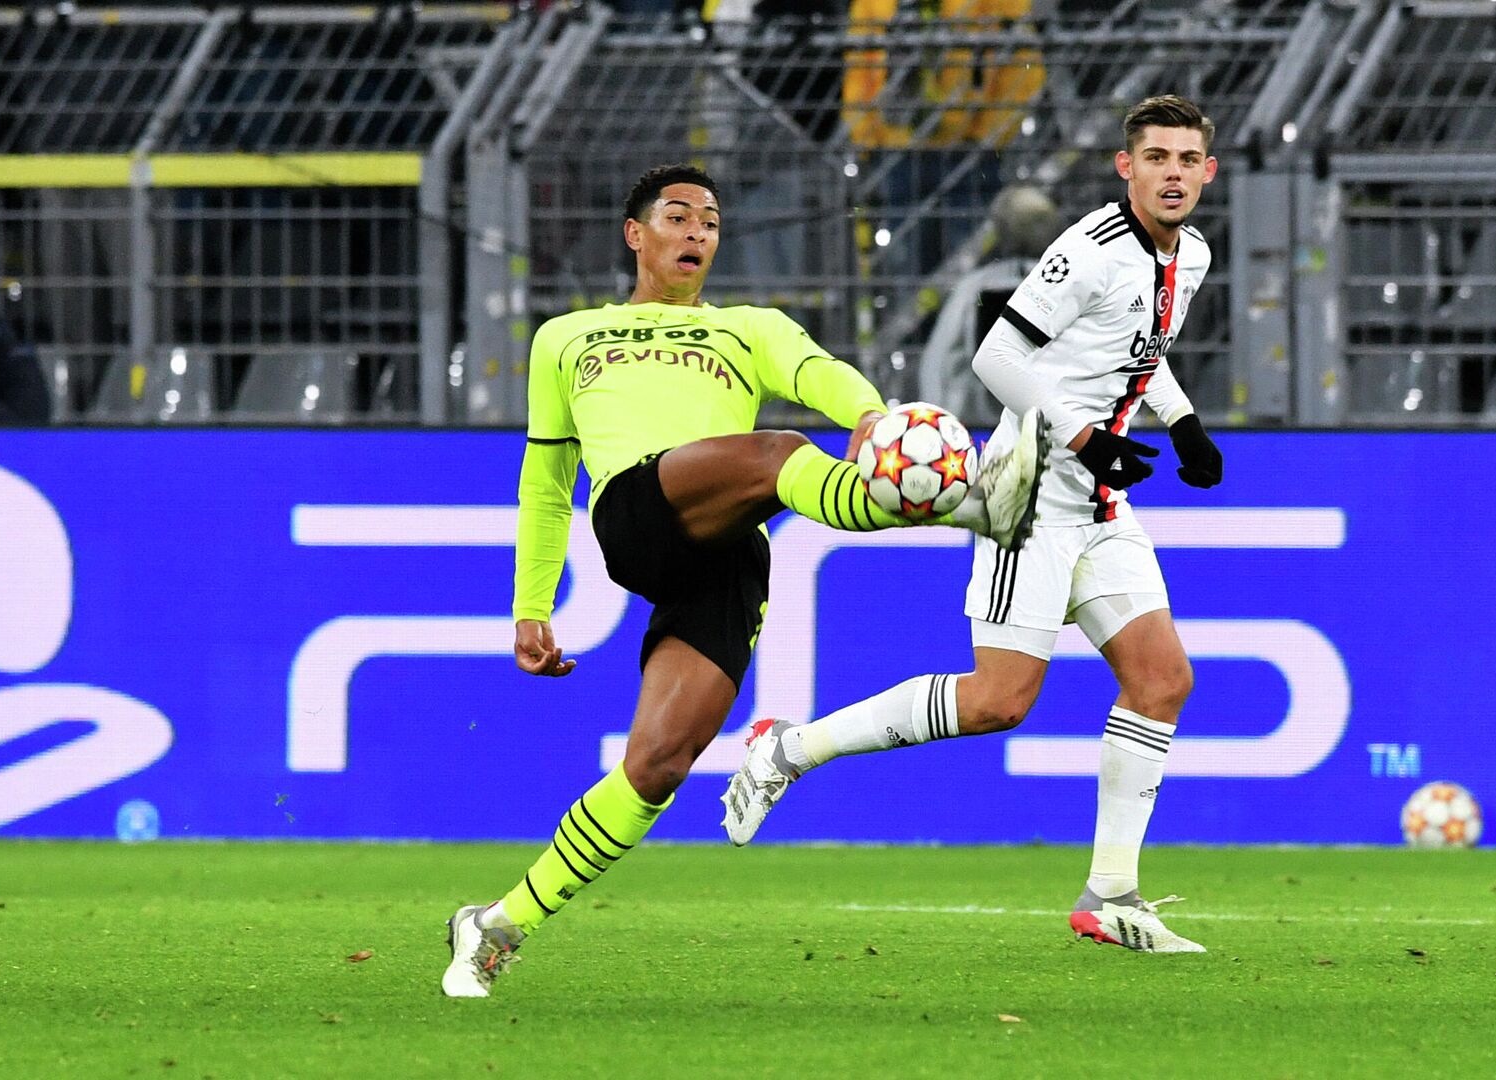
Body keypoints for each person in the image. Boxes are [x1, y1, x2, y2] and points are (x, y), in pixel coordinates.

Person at [440, 162, 1050, 998]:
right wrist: (530, 607)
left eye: (711, 222)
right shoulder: (566, 337)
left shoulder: (748, 328)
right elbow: (546, 484)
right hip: (638, 512)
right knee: (776, 454)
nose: (697, 233)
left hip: (726, 551)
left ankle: (496, 924)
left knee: (657, 764)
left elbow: (816, 372)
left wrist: (869, 417)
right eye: (679, 217)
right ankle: (966, 508)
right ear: (636, 234)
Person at [721, 96, 1227, 954]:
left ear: (1208, 172)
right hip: (1028, 499)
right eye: (1157, 158)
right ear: (1125, 166)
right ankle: (787, 750)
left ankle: (1111, 895)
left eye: (1188, 159)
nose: (1173, 173)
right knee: (998, 703)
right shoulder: (1089, 250)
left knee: (1162, 679)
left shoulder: (1193, 255)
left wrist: (1181, 422)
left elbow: (1139, 351)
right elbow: (999, 355)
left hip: (1102, 505)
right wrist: (1082, 436)